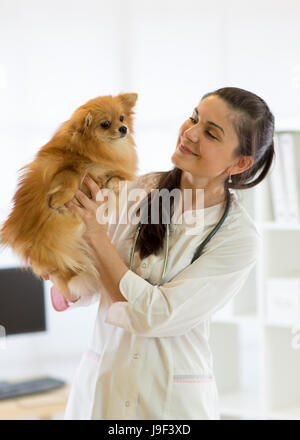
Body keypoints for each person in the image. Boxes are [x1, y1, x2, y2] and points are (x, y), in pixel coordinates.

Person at [42, 87, 275, 420]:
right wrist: (58, 264)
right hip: (100, 391)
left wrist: (94, 232)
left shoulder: (238, 237)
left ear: (239, 163)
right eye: (194, 117)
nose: (190, 132)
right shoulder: (129, 190)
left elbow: (155, 315)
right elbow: (91, 281)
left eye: (210, 132)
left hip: (170, 405)